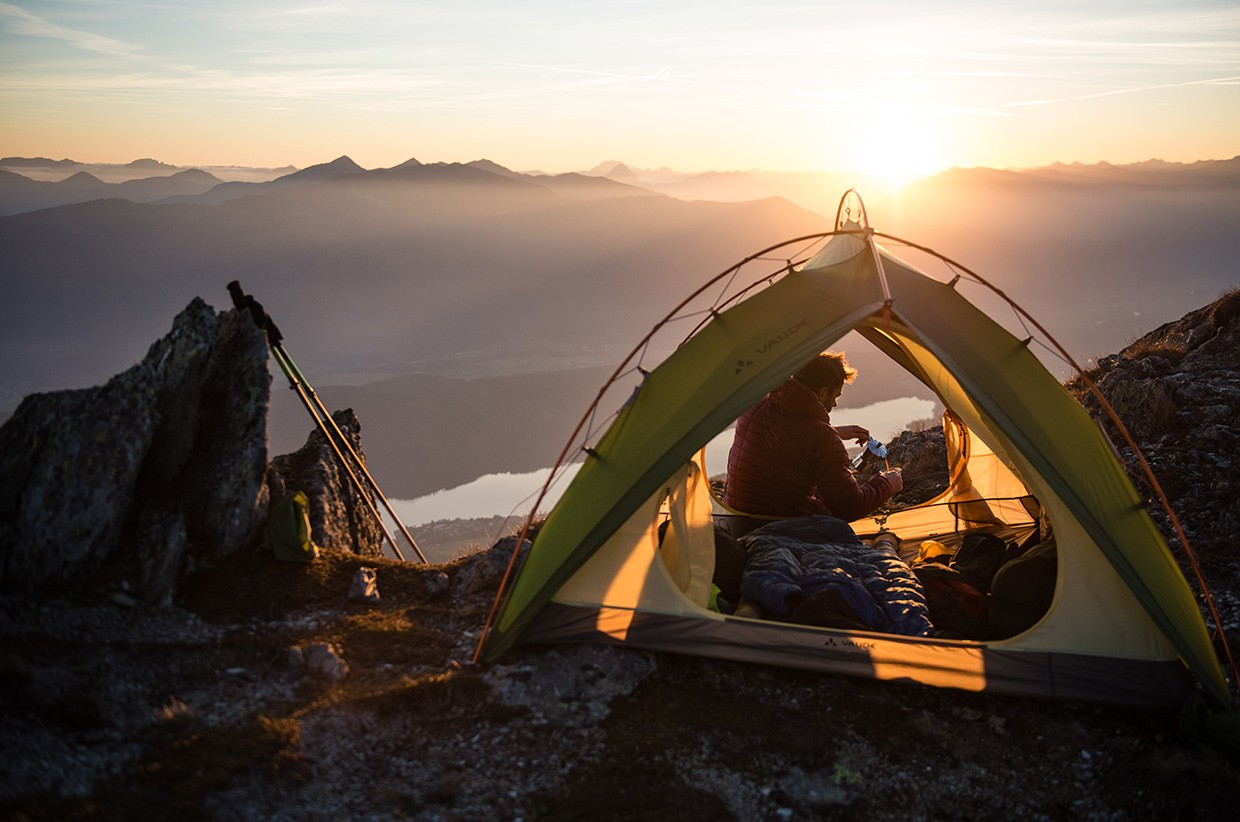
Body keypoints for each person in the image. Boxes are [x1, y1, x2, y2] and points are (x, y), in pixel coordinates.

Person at [724, 351, 903, 521]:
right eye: (836, 395)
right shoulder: (822, 438)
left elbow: (781, 435)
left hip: (734, 519)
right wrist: (886, 484)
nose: (835, 403)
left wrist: (833, 431)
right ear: (823, 392)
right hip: (779, 526)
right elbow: (850, 507)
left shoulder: (756, 405)